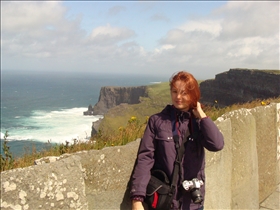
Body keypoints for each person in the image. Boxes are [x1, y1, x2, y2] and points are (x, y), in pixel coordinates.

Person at [130, 71, 224, 210]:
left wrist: (202, 116)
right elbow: (145, 158)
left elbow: (217, 144)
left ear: (193, 95)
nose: (178, 97)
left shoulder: (198, 124)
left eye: (184, 93)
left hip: (191, 204)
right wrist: (137, 199)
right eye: (174, 91)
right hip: (164, 201)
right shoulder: (157, 121)